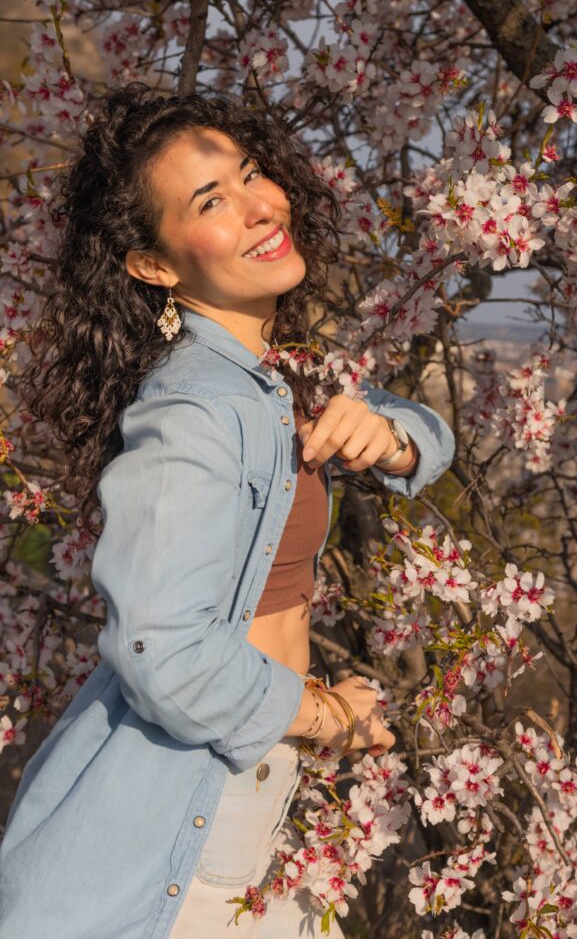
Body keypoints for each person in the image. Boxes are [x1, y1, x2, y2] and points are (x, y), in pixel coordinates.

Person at [0, 86, 456, 938]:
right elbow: (161, 649)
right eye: (210, 202)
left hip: (242, 809)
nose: (258, 207)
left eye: (250, 174)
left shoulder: (271, 376)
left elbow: (427, 434)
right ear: (154, 265)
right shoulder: (197, 408)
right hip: (175, 827)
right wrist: (326, 715)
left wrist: (390, 437)